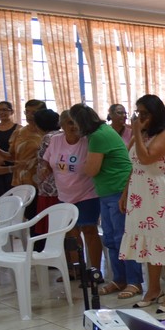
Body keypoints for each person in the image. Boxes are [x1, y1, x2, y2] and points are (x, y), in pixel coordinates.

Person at [119, 94, 165, 313]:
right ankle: (153, 289)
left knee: (164, 242)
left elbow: (147, 158)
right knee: (148, 243)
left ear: (156, 113)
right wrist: (125, 193)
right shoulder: (143, 134)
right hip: (140, 193)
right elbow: (134, 164)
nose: (140, 117)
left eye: (145, 113)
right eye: (138, 113)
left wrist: (137, 132)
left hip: (160, 194)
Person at [70, 103, 142, 299]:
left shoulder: (99, 136)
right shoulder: (98, 134)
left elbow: (92, 170)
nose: (72, 128)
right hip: (106, 192)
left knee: (123, 238)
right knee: (110, 239)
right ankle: (119, 279)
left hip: (119, 190)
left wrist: (75, 165)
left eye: (73, 123)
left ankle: (134, 281)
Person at [43, 110, 103, 280]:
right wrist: (44, 171)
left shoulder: (88, 141)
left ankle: (95, 270)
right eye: (69, 122)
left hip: (87, 193)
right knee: (71, 233)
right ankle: (76, 269)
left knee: (89, 230)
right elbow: (48, 161)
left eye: (76, 122)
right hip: (64, 195)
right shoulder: (55, 140)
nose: (73, 126)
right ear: (61, 125)